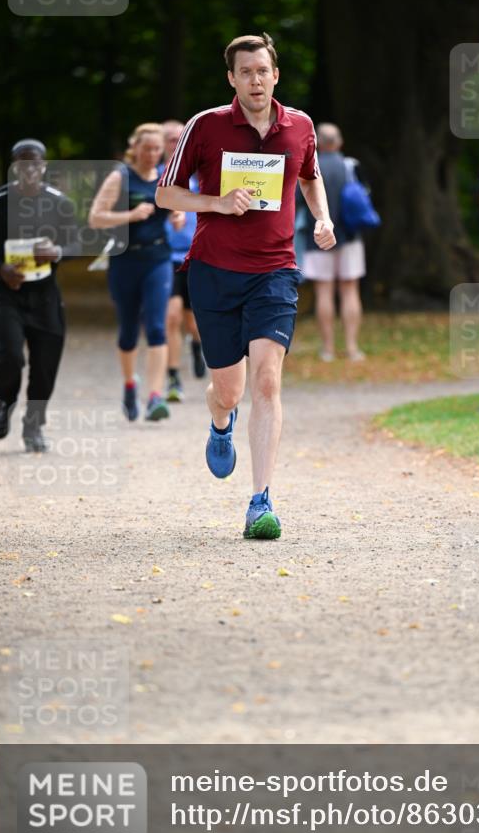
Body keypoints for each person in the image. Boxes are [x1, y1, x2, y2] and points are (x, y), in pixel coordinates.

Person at [156, 32, 336, 539]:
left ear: (275, 75)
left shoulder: (299, 125)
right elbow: (166, 194)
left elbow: (309, 175)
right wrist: (216, 202)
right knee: (229, 390)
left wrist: (322, 218)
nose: (255, 80)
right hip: (214, 272)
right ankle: (219, 423)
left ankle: (260, 501)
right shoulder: (205, 126)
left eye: (263, 71)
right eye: (245, 72)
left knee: (267, 382)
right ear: (231, 78)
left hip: (275, 271)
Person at [0, 138, 77, 451]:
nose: (29, 169)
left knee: (45, 363)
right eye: (22, 163)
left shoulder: (60, 203)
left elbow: (76, 244)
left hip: (46, 295)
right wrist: (0, 268)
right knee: (9, 355)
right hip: (8, 294)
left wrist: (58, 251)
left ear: (44, 166)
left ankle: (33, 425)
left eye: (35, 163)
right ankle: (5, 401)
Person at [88, 123, 184, 422]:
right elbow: (95, 218)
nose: (152, 155)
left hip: (158, 258)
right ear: (135, 149)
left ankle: (155, 396)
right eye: (147, 149)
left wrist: (177, 216)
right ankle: (130, 384)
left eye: (157, 150)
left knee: (157, 326)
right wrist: (129, 215)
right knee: (129, 330)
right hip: (125, 260)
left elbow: (176, 210)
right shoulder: (121, 176)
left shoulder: (167, 177)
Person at [300, 123, 367, 362]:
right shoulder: (351, 166)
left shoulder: (309, 167)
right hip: (350, 238)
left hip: (317, 238)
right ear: (338, 142)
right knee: (350, 291)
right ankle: (352, 348)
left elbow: (299, 201)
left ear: (318, 143)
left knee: (324, 292)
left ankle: (327, 349)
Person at [160, 119, 206, 403]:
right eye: (170, 139)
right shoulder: (155, 177)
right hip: (164, 258)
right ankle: (174, 377)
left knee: (193, 321)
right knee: (172, 316)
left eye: (180, 139)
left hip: (196, 255)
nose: (175, 144)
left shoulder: (199, 176)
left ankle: (197, 346)